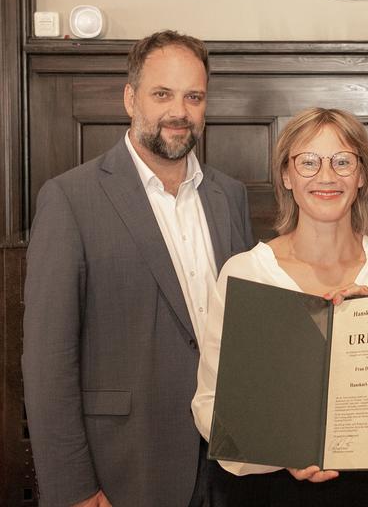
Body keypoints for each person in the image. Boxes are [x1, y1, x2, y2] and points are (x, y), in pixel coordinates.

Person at [22, 31, 257, 507]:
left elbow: (249, 330)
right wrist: (73, 489)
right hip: (124, 469)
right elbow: (47, 364)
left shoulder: (228, 196)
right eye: (162, 94)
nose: (180, 111)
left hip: (228, 465)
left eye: (194, 96)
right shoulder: (70, 198)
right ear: (130, 98)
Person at [192, 107, 368, 505]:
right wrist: (283, 453)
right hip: (269, 490)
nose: (326, 176)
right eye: (308, 162)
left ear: (363, 176)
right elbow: (211, 408)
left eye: (343, 161)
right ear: (286, 175)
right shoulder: (245, 273)